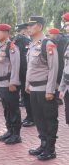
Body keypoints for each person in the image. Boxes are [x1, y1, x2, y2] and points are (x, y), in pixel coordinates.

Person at [26, 16, 58, 161]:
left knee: (49, 119)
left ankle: (50, 149)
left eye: (31, 26)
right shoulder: (32, 44)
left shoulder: (48, 44)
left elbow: (53, 68)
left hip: (45, 88)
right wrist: (27, 84)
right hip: (34, 88)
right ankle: (43, 144)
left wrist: (50, 90)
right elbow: (30, 67)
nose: (28, 28)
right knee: (38, 119)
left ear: (39, 26)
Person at [0, 24, 22, 144]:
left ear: (6, 33)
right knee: (6, 109)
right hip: (1, 83)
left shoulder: (11, 47)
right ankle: (9, 131)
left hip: (9, 83)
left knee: (13, 109)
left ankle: (16, 134)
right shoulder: (0, 47)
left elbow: (16, 66)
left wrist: (14, 82)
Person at [14, 23, 34, 127]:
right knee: (26, 96)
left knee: (27, 96)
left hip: (24, 73)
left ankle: (31, 117)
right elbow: (22, 59)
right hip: (23, 72)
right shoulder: (23, 40)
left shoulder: (21, 40)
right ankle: (30, 116)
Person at [59, 12, 69, 124]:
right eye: (66, 25)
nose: (66, 28)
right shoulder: (67, 43)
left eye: (68, 25)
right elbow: (65, 67)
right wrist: (62, 88)